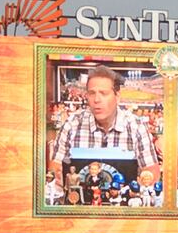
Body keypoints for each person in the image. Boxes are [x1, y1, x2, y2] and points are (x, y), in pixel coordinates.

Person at [49, 68, 161, 206]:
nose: (97, 99)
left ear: (117, 96)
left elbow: (151, 175)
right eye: (91, 93)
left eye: (104, 93)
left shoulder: (136, 126)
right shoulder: (71, 124)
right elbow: (55, 174)